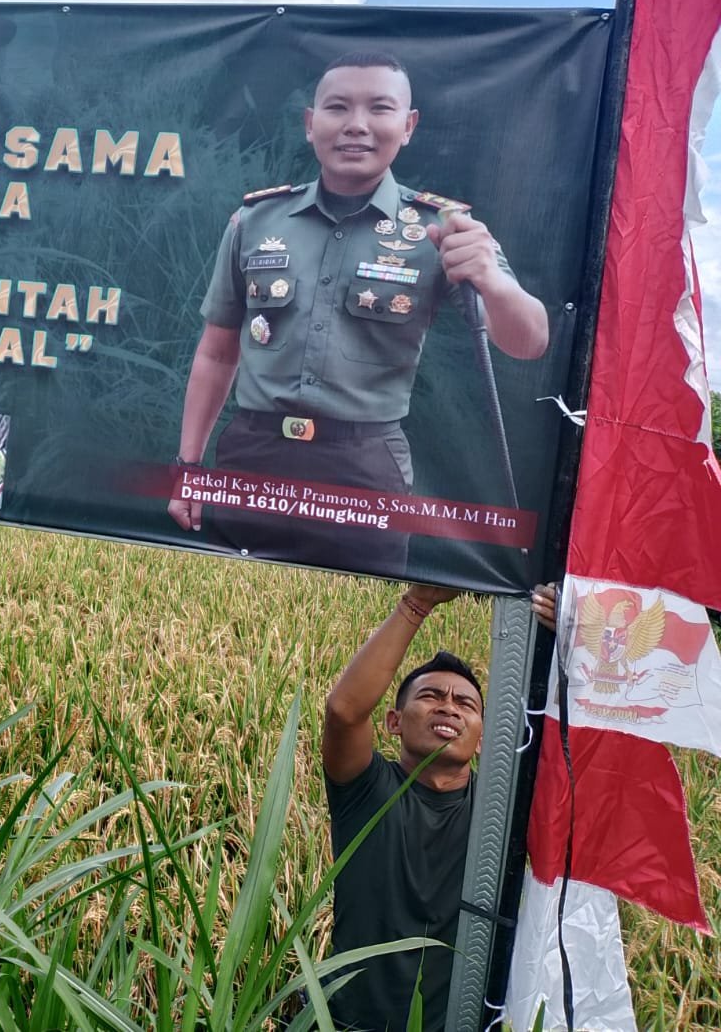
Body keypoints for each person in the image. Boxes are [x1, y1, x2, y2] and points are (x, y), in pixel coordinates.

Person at [167, 52, 550, 576]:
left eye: (380, 108)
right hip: (251, 457)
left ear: (408, 126)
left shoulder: (447, 229)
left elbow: (530, 342)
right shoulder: (255, 221)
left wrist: (493, 281)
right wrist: (189, 467)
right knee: (235, 608)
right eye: (338, 107)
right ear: (310, 123)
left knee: (352, 611)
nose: (356, 125)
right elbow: (216, 353)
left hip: (364, 468)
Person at [321, 585, 481, 1031]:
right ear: (394, 722)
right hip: (343, 1023)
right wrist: (418, 602)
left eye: (465, 703)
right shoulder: (366, 789)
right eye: (431, 697)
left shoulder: (499, 812)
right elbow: (344, 711)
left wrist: (562, 636)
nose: (448, 707)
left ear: (482, 737)